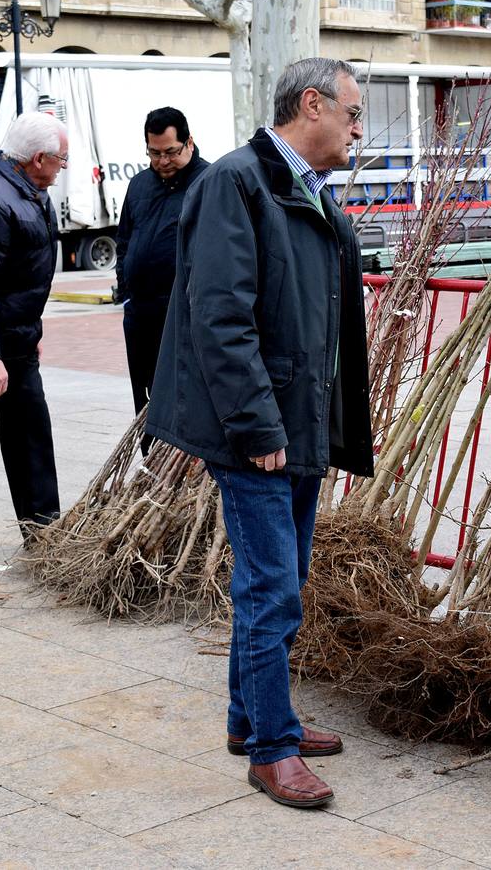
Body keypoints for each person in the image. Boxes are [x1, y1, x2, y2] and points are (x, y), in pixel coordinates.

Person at [145, 58, 374, 808]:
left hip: (296, 423)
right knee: (272, 587)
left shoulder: (297, 189)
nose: (357, 127)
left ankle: (254, 719)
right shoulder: (236, 183)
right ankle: (271, 751)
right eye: (352, 112)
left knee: (281, 582)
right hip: (260, 431)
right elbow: (219, 315)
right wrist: (254, 424)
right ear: (311, 105)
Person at [0, 112, 67, 569]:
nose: (63, 168)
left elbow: (18, 278)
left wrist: (27, 333)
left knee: (31, 439)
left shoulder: (28, 189)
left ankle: (43, 530)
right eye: (61, 160)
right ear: (38, 158)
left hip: (17, 344)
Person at [115, 107, 209, 428]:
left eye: (171, 152)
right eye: (154, 153)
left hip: (183, 316)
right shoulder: (140, 185)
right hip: (140, 315)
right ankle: (150, 468)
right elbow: (124, 240)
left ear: (189, 143)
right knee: (145, 403)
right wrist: (125, 293)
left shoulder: (209, 182)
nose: (163, 161)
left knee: (183, 402)